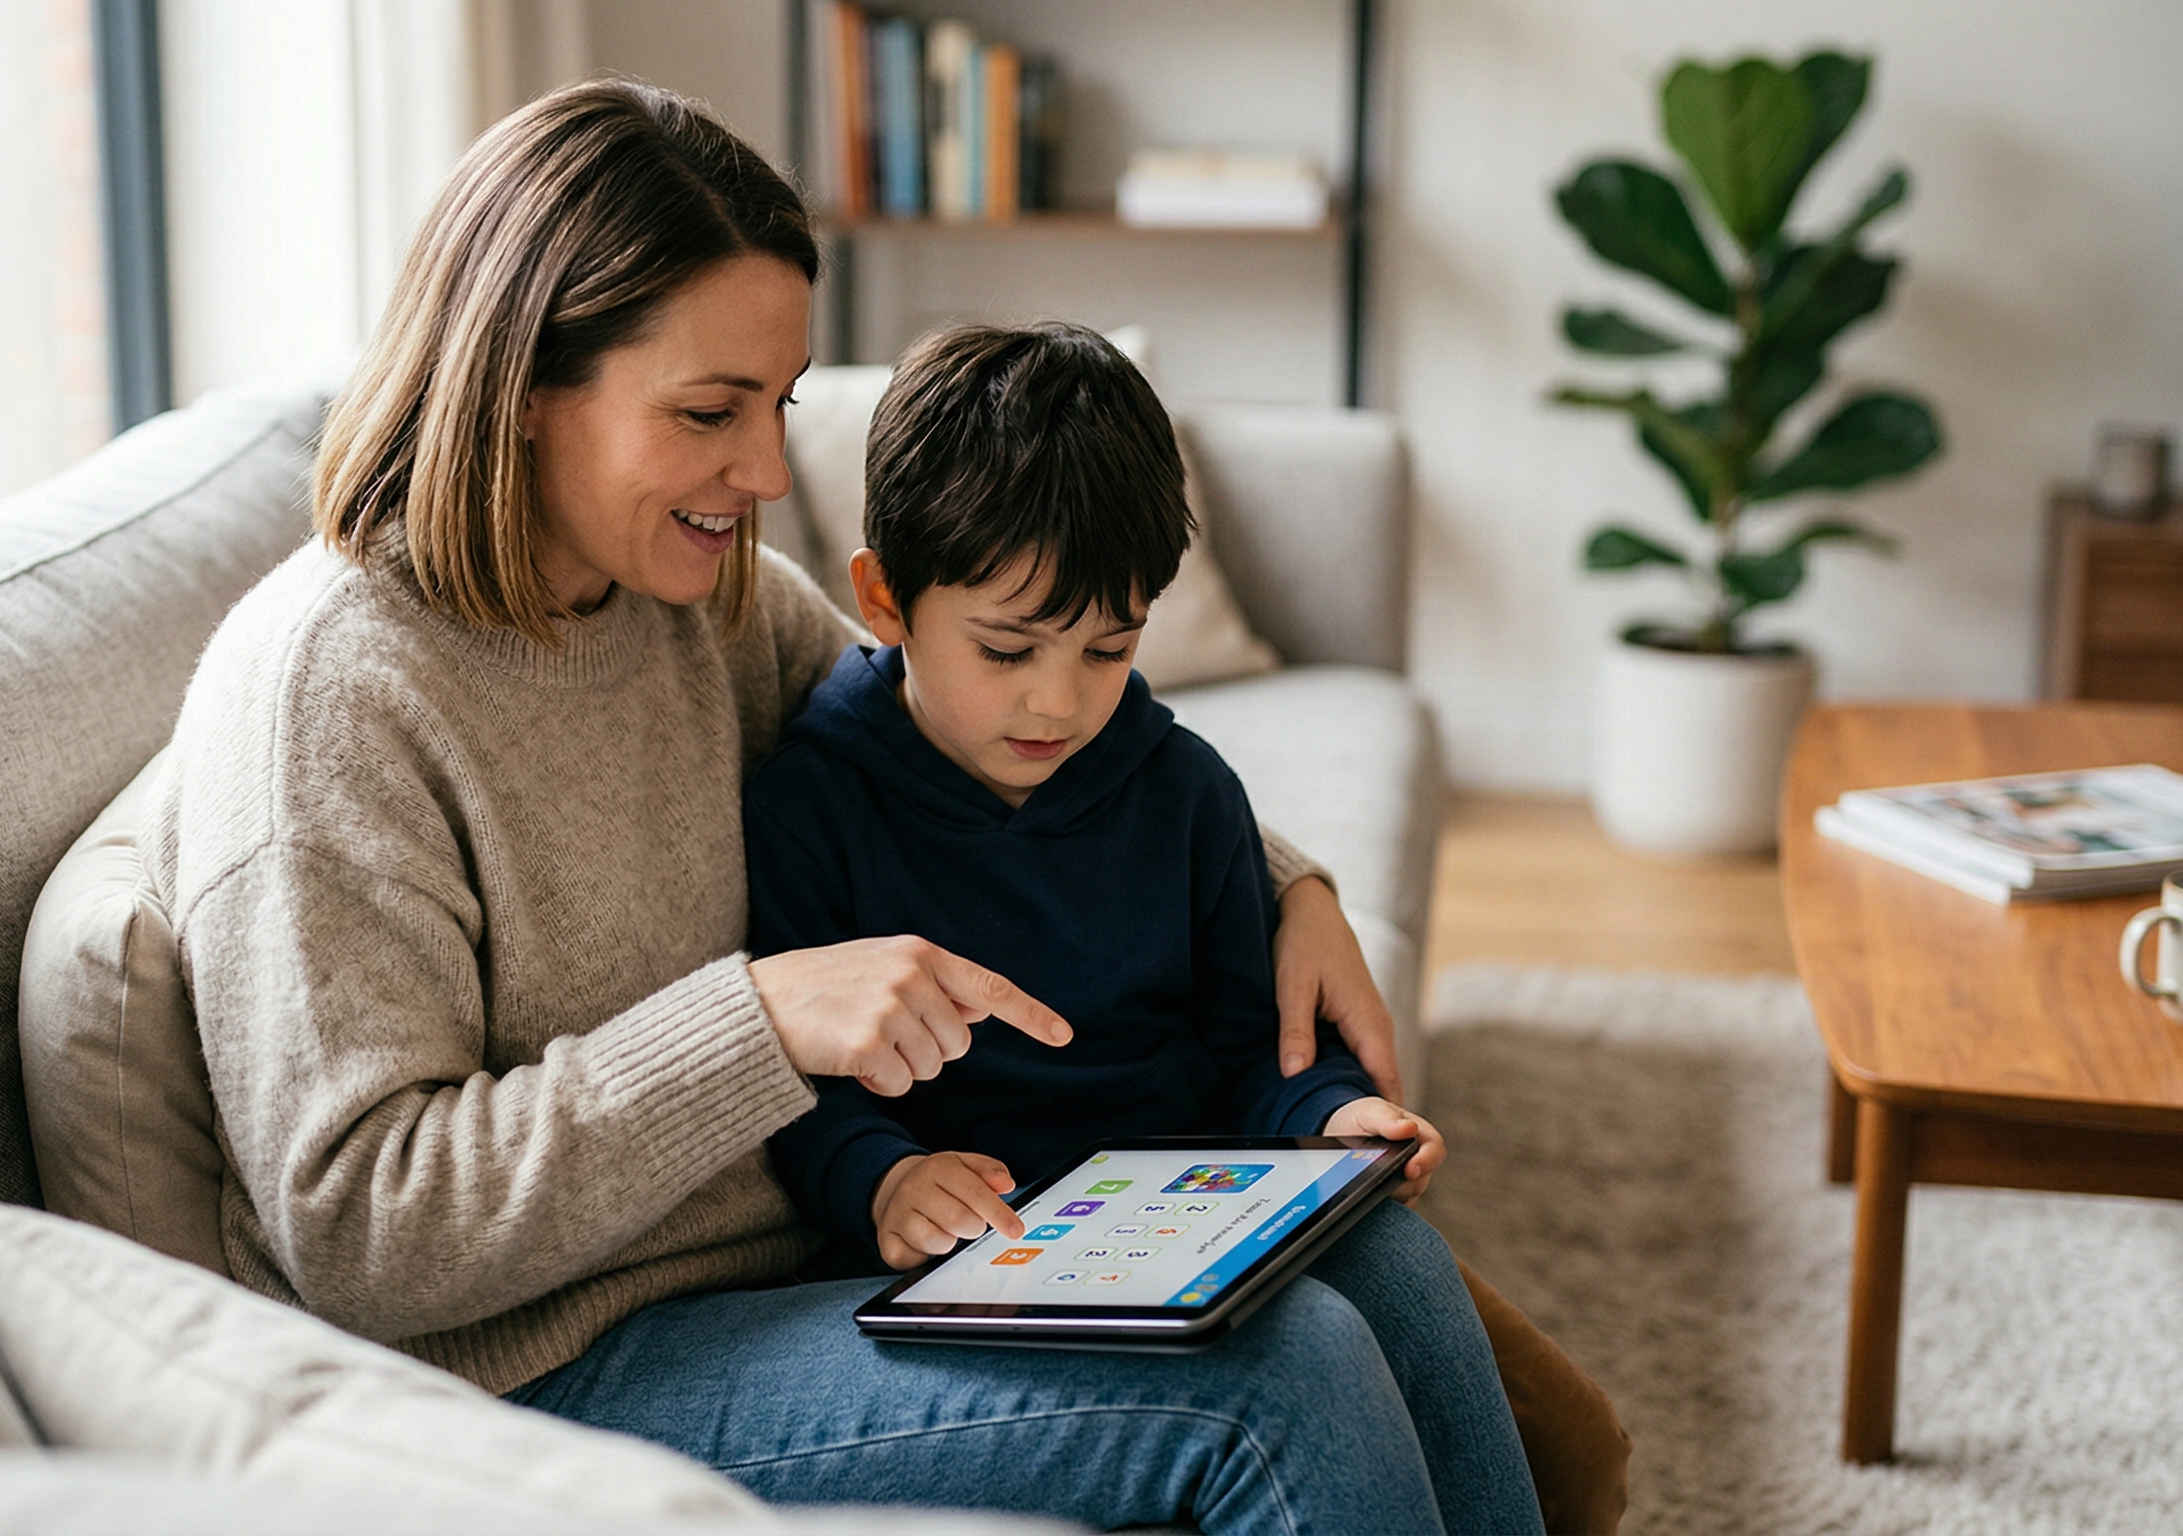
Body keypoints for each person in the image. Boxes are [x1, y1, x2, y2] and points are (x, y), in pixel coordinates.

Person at [146, 76, 1598, 1533]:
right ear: (524, 386)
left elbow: (972, 724)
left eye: (775, 404)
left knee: (1384, 1261)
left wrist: (1287, 884)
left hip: (797, 1269)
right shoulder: (332, 696)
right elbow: (360, 1228)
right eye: (710, 411)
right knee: (1275, 1374)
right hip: (534, 1368)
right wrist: (759, 1019)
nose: (769, 471)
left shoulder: (680, 599)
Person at [743, 321, 1535, 1533]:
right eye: (1006, 650)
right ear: (883, 600)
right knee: (1307, 1354)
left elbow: (1249, 1045)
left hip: (1176, 1210)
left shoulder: (1185, 789)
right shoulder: (812, 801)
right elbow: (793, 1079)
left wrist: (1333, 1117)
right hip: (977, 1253)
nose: (1056, 700)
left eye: (1109, 649)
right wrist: (883, 1175)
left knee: (1407, 1268)